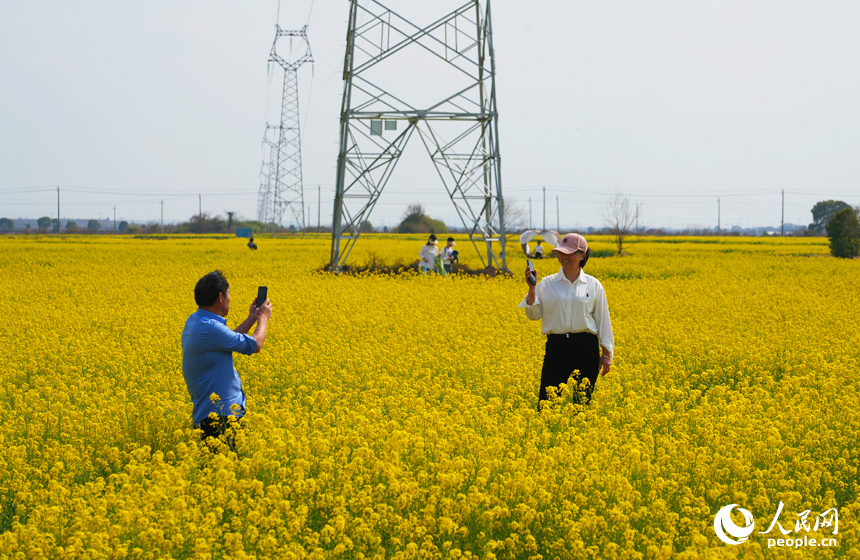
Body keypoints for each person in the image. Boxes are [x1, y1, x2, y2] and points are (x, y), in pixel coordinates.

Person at [518, 233, 614, 407]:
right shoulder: (547, 284)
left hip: (586, 348)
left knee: (581, 405)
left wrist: (606, 354)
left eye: (569, 253)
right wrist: (532, 289)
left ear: (582, 255)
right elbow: (533, 315)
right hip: (557, 348)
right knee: (546, 405)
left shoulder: (593, 285)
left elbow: (603, 320)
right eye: (561, 252)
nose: (564, 257)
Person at [181, 271, 273, 441]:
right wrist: (263, 318)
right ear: (221, 298)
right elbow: (255, 345)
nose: (231, 299)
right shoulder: (210, 328)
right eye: (229, 294)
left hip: (214, 413)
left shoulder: (196, 320)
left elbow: (228, 339)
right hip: (220, 417)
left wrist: (252, 317)